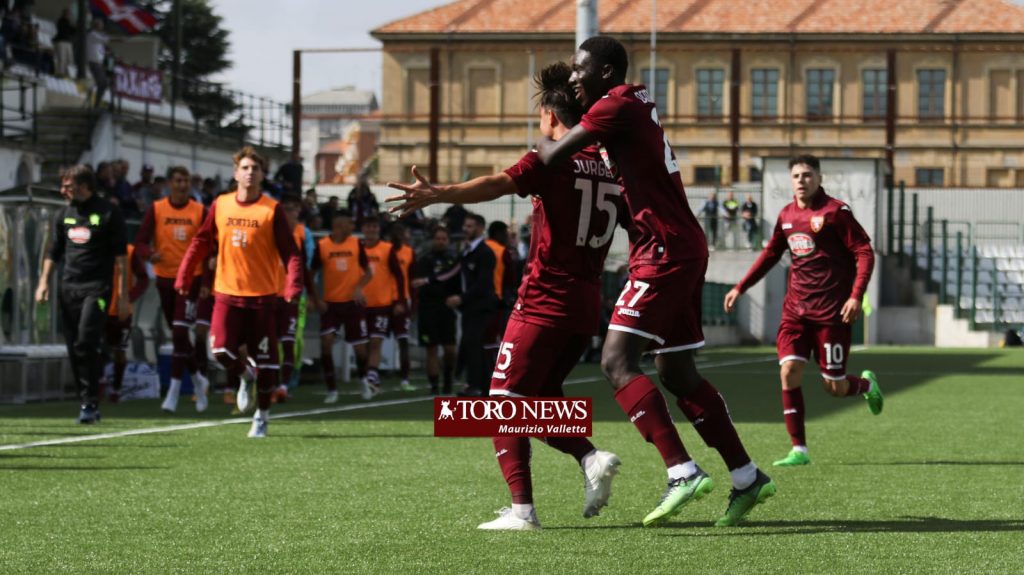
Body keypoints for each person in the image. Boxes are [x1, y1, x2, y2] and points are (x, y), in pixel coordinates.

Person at [536, 35, 773, 527]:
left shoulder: (614, 105)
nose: (577, 77)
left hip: (664, 250)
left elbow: (553, 157)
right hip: (676, 244)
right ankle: (747, 476)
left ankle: (681, 471)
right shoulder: (633, 101)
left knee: (616, 360)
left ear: (606, 71)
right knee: (677, 373)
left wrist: (450, 190)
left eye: (582, 69)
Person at [387, 61, 626, 531]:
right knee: (540, 397)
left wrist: (440, 193)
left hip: (544, 299)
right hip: (585, 303)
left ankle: (522, 511)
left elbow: (498, 183)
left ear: (551, 117)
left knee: (502, 399)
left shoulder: (553, 154)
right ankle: (589, 457)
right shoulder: (609, 166)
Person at [723, 154, 882, 467]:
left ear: (819, 178)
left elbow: (864, 251)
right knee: (789, 371)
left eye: (807, 175)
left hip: (831, 314)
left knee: (834, 387)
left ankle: (866, 385)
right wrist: (740, 286)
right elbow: (770, 255)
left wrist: (855, 296)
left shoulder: (836, 213)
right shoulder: (786, 216)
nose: (801, 180)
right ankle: (799, 449)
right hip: (795, 311)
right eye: (796, 175)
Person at [175, 146, 302, 438]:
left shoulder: (272, 210)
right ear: (235, 174)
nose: (249, 172)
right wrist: (184, 272)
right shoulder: (220, 205)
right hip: (227, 294)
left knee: (269, 364)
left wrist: (293, 283)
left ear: (262, 175)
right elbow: (201, 241)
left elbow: (290, 253)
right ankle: (246, 374)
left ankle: (262, 416)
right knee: (218, 350)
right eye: (244, 168)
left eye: (255, 168)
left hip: (263, 299)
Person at [35, 164, 128, 424]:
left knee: (86, 340)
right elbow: (54, 253)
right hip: (68, 288)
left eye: (67, 185)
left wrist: (122, 296)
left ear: (84, 185)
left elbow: (121, 258)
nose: (63, 190)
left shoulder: (109, 212)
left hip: (97, 287)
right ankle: (87, 401)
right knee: (74, 347)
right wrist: (43, 283)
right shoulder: (63, 214)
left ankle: (91, 398)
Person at [134, 165, 212, 413]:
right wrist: (149, 254)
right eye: (178, 180)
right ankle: (199, 380)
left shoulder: (200, 211)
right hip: (164, 279)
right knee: (178, 335)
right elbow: (140, 242)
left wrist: (207, 283)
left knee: (179, 333)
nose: (182, 185)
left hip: (190, 280)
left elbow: (211, 249)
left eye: (186, 180)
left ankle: (174, 392)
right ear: (169, 183)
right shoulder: (157, 209)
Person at [312, 210, 372, 404]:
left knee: (360, 349)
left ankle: (363, 380)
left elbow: (369, 273)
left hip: (353, 304)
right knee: (326, 343)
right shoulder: (322, 246)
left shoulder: (356, 244)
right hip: (330, 305)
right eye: (349, 223)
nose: (352, 228)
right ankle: (331, 389)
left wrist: (359, 288)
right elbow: (310, 274)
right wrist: (316, 299)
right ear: (339, 225)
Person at [271, 195, 320, 403]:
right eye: (286, 211)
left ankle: (288, 380)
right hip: (271, 297)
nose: (290, 216)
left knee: (293, 339)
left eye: (292, 211)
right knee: (270, 342)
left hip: (294, 297)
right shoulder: (269, 235)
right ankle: (269, 381)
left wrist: (310, 296)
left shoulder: (302, 235)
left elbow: (305, 268)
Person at [409, 225, 460, 395]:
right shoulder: (424, 260)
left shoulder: (455, 261)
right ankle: (434, 386)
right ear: (433, 240)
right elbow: (416, 284)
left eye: (444, 239)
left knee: (450, 349)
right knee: (431, 348)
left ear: (448, 241)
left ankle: (447, 379)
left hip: (447, 309)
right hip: (428, 309)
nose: (440, 241)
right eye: (438, 238)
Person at [359, 217, 407, 397]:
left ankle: (372, 376)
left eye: (374, 225)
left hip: (382, 304)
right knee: (362, 344)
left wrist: (400, 300)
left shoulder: (386, 249)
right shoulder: (357, 248)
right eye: (368, 226)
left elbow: (399, 276)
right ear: (363, 228)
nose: (371, 229)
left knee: (375, 341)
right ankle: (369, 375)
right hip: (361, 303)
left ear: (378, 229)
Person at [452, 213, 497, 397]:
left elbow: (483, 283)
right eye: (465, 225)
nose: (465, 229)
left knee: (472, 342)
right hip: (470, 307)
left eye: (469, 226)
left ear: (479, 228)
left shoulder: (485, 253)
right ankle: (484, 386)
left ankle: (474, 385)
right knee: (474, 344)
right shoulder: (467, 250)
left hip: (481, 306)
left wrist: (462, 298)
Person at [104, 244, 148, 403]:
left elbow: (143, 278)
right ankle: (98, 386)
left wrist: (129, 297)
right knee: (96, 348)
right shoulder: (96, 246)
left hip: (121, 312)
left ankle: (116, 389)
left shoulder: (130, 251)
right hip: (99, 307)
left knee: (119, 351)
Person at [387, 221, 415, 391]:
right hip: (382, 300)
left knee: (403, 340)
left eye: (401, 233)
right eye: (396, 233)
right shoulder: (384, 250)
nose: (399, 236)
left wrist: (413, 304)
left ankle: (405, 378)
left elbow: (412, 280)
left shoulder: (409, 252)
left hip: (402, 300)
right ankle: (371, 377)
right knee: (374, 339)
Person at [85, 18, 108, 107]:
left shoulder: (97, 36)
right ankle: (96, 104)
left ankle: (97, 103)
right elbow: (105, 40)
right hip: (94, 63)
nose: (102, 26)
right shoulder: (92, 35)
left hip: (98, 63)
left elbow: (100, 49)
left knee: (103, 83)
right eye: (100, 25)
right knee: (103, 83)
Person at [53, 8, 74, 78]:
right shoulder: (61, 21)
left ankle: (64, 72)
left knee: (69, 59)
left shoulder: (68, 22)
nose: (68, 15)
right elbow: (63, 30)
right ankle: (59, 73)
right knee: (62, 58)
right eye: (67, 14)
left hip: (68, 42)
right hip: (62, 41)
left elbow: (71, 31)